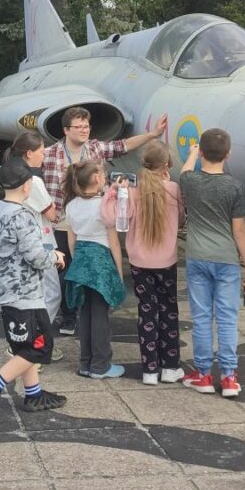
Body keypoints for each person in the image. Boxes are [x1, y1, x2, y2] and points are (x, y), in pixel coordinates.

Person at [41, 107, 168, 335]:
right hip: (62, 220)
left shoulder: (95, 148)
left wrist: (153, 134)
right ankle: (68, 315)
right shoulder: (50, 154)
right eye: (78, 127)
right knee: (64, 269)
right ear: (66, 130)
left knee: (89, 268)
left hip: (94, 221)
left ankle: (84, 311)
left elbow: (123, 146)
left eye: (86, 126)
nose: (84, 130)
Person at [0, 156, 68, 418]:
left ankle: (33, 393)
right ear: (27, 186)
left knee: (23, 345)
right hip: (24, 292)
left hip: (5, 289)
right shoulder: (22, 216)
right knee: (39, 346)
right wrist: (55, 256)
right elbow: (36, 257)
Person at [178, 130, 245, 398]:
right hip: (226, 260)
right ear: (228, 154)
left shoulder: (190, 181)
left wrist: (191, 154)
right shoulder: (235, 187)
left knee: (201, 318)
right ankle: (229, 377)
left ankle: (203, 374)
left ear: (201, 152)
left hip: (197, 257)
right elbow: (239, 231)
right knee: (227, 319)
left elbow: (185, 170)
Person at [101, 142, 185, 386]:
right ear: (167, 165)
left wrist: (114, 191)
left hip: (139, 261)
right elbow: (180, 219)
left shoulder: (133, 191)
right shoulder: (172, 188)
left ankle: (149, 369)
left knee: (146, 311)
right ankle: (170, 367)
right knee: (169, 311)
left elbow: (113, 218)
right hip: (166, 260)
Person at [62, 159, 127, 379]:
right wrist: (119, 272)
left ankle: (85, 363)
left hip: (81, 261)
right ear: (97, 178)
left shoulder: (71, 205)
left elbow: (71, 239)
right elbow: (114, 242)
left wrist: (78, 262)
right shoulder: (104, 206)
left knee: (85, 313)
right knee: (100, 315)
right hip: (101, 262)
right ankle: (101, 365)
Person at [5, 133, 64, 341]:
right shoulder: (34, 181)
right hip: (42, 242)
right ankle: (36, 338)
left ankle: (29, 338)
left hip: (24, 239)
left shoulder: (13, 175)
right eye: (41, 151)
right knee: (51, 293)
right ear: (29, 153)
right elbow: (52, 214)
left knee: (34, 292)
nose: (44, 155)